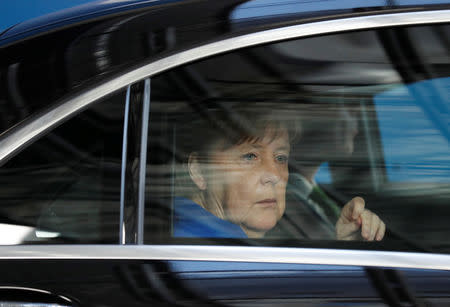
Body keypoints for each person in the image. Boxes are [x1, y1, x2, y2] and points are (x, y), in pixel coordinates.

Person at [173, 104, 385, 240]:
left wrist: (343, 246)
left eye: (280, 158)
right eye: (250, 156)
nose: (274, 175)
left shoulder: (229, 248)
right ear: (199, 170)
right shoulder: (196, 249)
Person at [278, 100, 386, 241]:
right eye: (349, 108)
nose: (356, 125)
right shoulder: (280, 202)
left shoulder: (315, 196)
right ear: (315, 114)